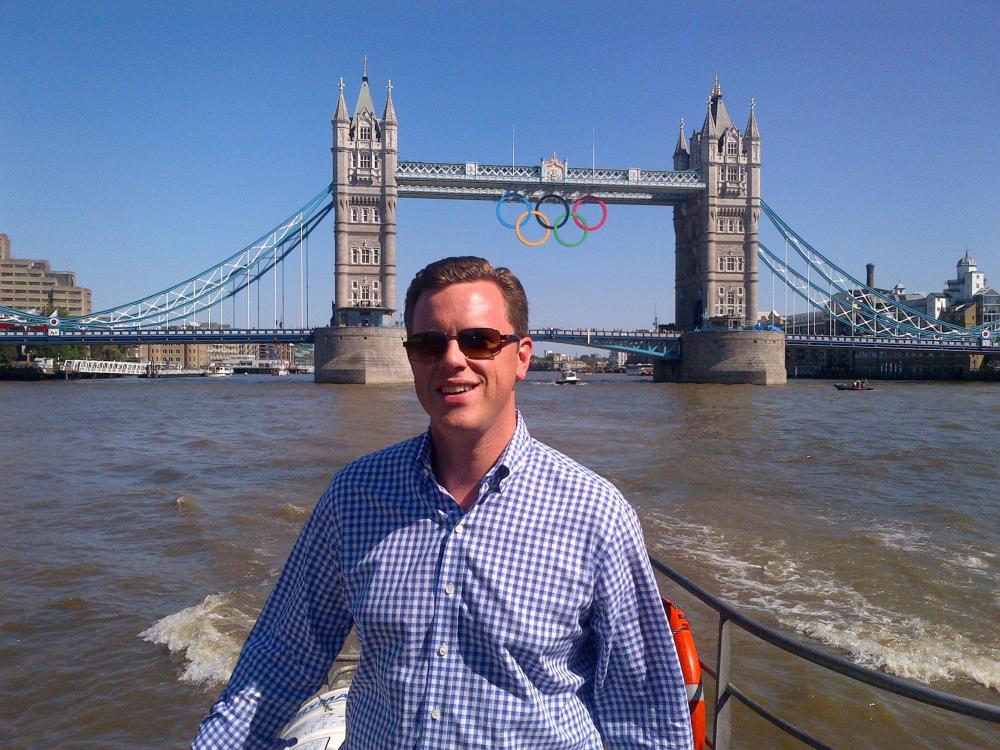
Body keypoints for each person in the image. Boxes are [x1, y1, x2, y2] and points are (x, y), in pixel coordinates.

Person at [192, 256, 693, 749]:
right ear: (411, 358)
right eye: (430, 344)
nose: (453, 359)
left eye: (480, 340)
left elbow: (642, 708)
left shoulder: (596, 513)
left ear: (521, 356)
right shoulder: (353, 497)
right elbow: (280, 662)